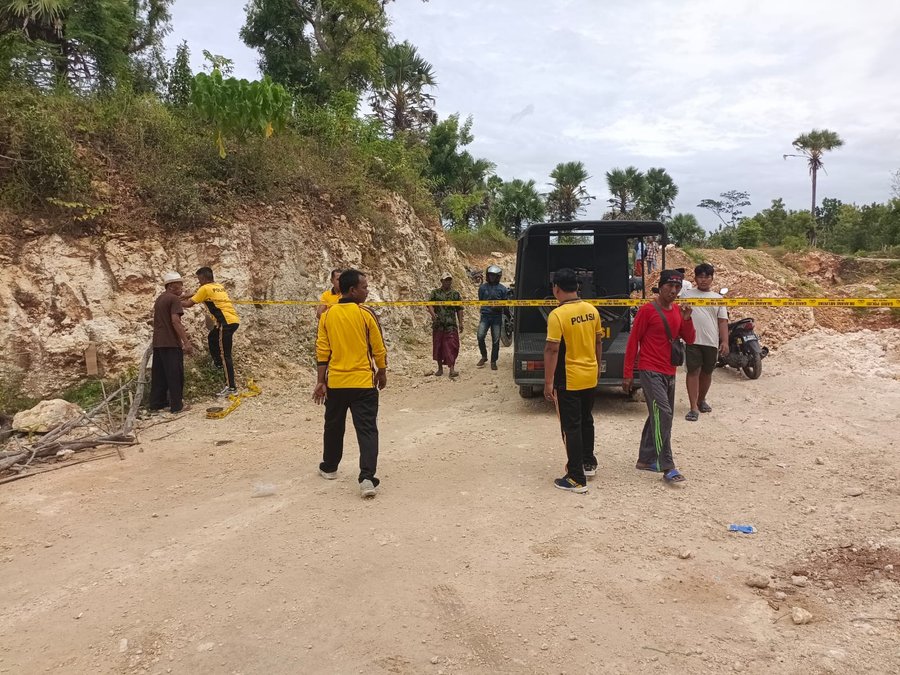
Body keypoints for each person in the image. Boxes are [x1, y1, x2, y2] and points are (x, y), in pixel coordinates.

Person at [313, 269, 387, 499]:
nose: (367, 290)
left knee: (333, 426)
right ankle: (367, 478)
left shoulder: (327, 315)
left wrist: (320, 381)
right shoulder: (366, 314)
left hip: (336, 383)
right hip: (363, 383)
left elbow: (322, 350)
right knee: (366, 429)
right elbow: (378, 346)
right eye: (364, 287)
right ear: (353, 290)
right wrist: (382, 371)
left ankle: (330, 467)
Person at [622, 269, 696, 483]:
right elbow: (633, 341)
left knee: (657, 414)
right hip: (650, 370)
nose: (673, 291)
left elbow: (689, 339)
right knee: (664, 414)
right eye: (669, 286)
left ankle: (645, 459)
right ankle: (667, 465)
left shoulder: (678, 312)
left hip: (669, 372)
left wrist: (688, 319)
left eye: (677, 287)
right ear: (660, 286)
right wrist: (628, 373)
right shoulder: (647, 311)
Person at [543, 268, 603, 493]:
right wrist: (597, 367)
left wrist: (548, 382)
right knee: (586, 420)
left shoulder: (557, 315)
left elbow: (552, 348)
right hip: (590, 374)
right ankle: (588, 463)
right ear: (577, 287)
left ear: (556, 289)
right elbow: (598, 342)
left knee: (571, 427)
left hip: (568, 378)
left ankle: (576, 478)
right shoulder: (591, 310)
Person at [182, 267, 240, 397]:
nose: (198, 282)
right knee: (212, 337)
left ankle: (231, 387)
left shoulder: (205, 288)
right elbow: (199, 293)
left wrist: (173, 301)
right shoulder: (217, 286)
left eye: (199, 279)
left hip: (225, 323)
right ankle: (218, 364)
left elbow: (188, 304)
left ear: (203, 278)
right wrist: (185, 295)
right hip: (233, 320)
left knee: (226, 355)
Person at [681, 263, 728, 421]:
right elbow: (680, 316)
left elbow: (722, 322)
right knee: (693, 372)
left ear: (712, 278)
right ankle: (693, 407)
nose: (703, 280)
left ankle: (702, 400)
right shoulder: (687, 295)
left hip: (711, 342)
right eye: (700, 277)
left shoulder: (718, 298)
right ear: (695, 278)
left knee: (707, 373)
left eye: (707, 277)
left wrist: (725, 342)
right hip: (692, 340)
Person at [149, 272, 193, 414]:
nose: (181, 287)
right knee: (175, 374)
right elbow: (175, 321)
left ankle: (157, 403)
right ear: (172, 286)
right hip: (171, 342)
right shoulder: (173, 299)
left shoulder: (160, 298)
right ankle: (177, 406)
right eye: (179, 285)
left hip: (158, 342)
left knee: (159, 374)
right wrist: (186, 342)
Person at [426, 272, 464, 378]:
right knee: (438, 346)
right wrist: (433, 315)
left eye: (449, 280)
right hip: (439, 325)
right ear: (441, 281)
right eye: (446, 280)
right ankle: (440, 368)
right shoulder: (435, 293)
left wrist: (461, 323)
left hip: (451, 325)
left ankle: (452, 369)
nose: (448, 282)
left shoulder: (455, 294)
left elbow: (459, 309)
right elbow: (429, 305)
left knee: (453, 346)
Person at [477, 265, 508, 370]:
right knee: (480, 336)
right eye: (490, 275)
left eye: (494, 275)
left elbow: (506, 304)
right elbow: (481, 299)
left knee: (496, 340)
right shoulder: (482, 288)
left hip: (496, 317)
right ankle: (484, 356)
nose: (492, 277)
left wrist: (499, 306)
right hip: (485, 316)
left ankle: (493, 361)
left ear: (498, 276)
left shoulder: (503, 289)